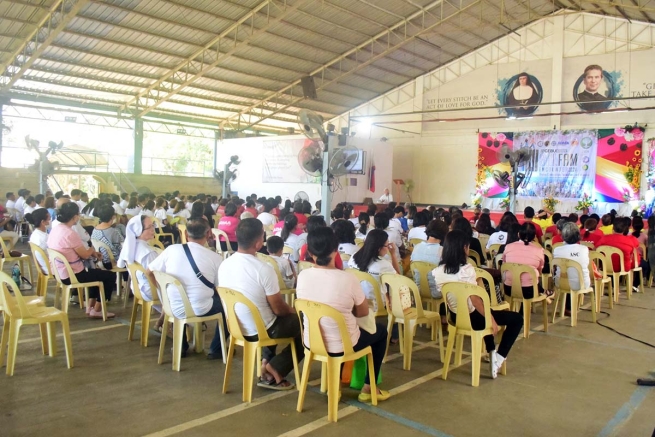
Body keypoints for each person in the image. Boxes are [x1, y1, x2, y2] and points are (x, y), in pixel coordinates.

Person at [296, 227, 390, 402]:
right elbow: (362, 312)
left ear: (309, 252)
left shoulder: (303, 275)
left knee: (337, 330)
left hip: (312, 342)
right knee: (380, 332)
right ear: (335, 249)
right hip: (343, 345)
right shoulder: (348, 278)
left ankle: (336, 385)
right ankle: (369, 386)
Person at [219, 218, 304, 390]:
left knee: (266, 315)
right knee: (307, 326)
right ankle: (277, 368)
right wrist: (294, 311)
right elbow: (279, 309)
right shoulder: (263, 269)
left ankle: (266, 361)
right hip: (262, 330)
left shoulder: (224, 264)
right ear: (259, 244)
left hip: (237, 328)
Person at [433, 230, 523, 379]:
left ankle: (491, 350)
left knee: (486, 312)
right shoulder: (466, 270)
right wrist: (491, 320)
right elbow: (475, 301)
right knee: (516, 319)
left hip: (454, 317)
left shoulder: (437, 271)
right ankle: (499, 358)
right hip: (473, 317)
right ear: (463, 248)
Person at [148, 219, 227, 359]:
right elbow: (219, 288)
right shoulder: (216, 258)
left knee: (181, 296)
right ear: (209, 234)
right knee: (228, 308)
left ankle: (181, 346)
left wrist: (162, 291)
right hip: (201, 308)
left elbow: (149, 272)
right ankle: (216, 349)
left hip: (172, 307)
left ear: (185, 233)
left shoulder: (171, 250)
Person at [47, 202, 116, 319]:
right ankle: (97, 310)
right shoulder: (70, 233)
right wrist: (92, 249)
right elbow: (84, 255)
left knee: (96, 273)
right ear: (74, 217)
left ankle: (90, 308)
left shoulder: (56, 229)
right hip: (73, 274)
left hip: (59, 272)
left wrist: (91, 252)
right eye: (78, 215)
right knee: (109, 276)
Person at [117, 214, 163, 329]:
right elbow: (158, 276)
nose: (153, 229)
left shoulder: (130, 247)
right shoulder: (147, 252)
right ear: (139, 231)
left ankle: (161, 322)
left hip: (137, 288)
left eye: (153, 225)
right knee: (183, 291)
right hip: (151, 290)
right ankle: (172, 325)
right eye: (149, 227)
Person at [349, 229, 400, 311]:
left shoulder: (353, 257)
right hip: (375, 305)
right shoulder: (383, 264)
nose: (388, 248)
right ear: (379, 248)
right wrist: (393, 254)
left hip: (355, 301)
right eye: (387, 245)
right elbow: (398, 278)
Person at [502, 223, 552, 299]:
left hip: (509, 288)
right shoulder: (539, 251)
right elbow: (540, 270)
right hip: (529, 291)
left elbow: (504, 265)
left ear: (518, 234)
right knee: (533, 279)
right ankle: (543, 292)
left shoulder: (508, 247)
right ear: (534, 237)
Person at [553, 222, 591, 314]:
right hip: (582, 283)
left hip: (560, 283)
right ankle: (570, 307)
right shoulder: (584, 249)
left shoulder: (557, 250)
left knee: (567, 275)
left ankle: (567, 307)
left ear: (562, 235)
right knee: (574, 275)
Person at [598, 217, 641, 291]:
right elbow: (632, 254)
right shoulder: (630, 240)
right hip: (623, 267)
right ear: (625, 229)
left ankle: (611, 286)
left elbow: (596, 250)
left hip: (605, 267)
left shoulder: (604, 238)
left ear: (613, 228)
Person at [91, 205, 124, 270]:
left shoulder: (95, 229)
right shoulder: (114, 231)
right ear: (113, 216)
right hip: (112, 263)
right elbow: (122, 247)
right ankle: (126, 279)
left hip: (100, 260)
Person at [28, 208, 51, 272]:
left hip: (44, 266)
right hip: (49, 268)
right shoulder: (43, 238)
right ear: (43, 222)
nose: (50, 221)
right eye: (49, 219)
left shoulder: (35, 233)